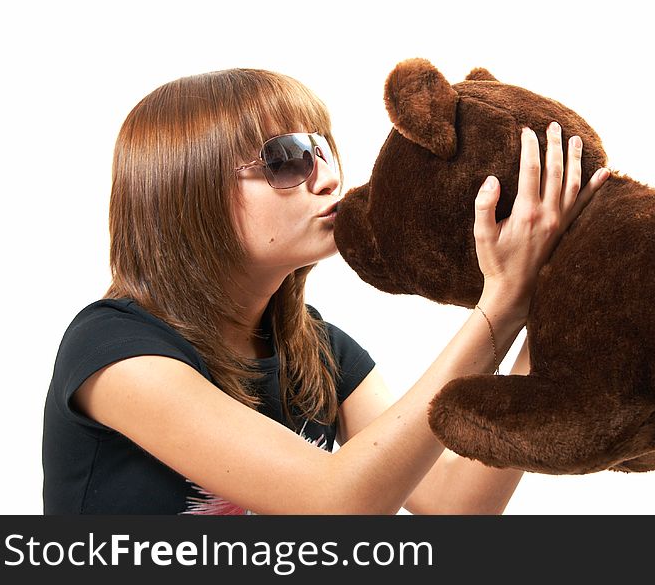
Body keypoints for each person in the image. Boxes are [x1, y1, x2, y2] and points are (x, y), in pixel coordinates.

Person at [42, 68, 610, 514]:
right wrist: (498, 305)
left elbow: (451, 503)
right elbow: (337, 503)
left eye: (323, 147)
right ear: (188, 193)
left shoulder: (314, 347)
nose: (331, 177)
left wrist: (539, 301)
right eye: (286, 158)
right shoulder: (116, 352)